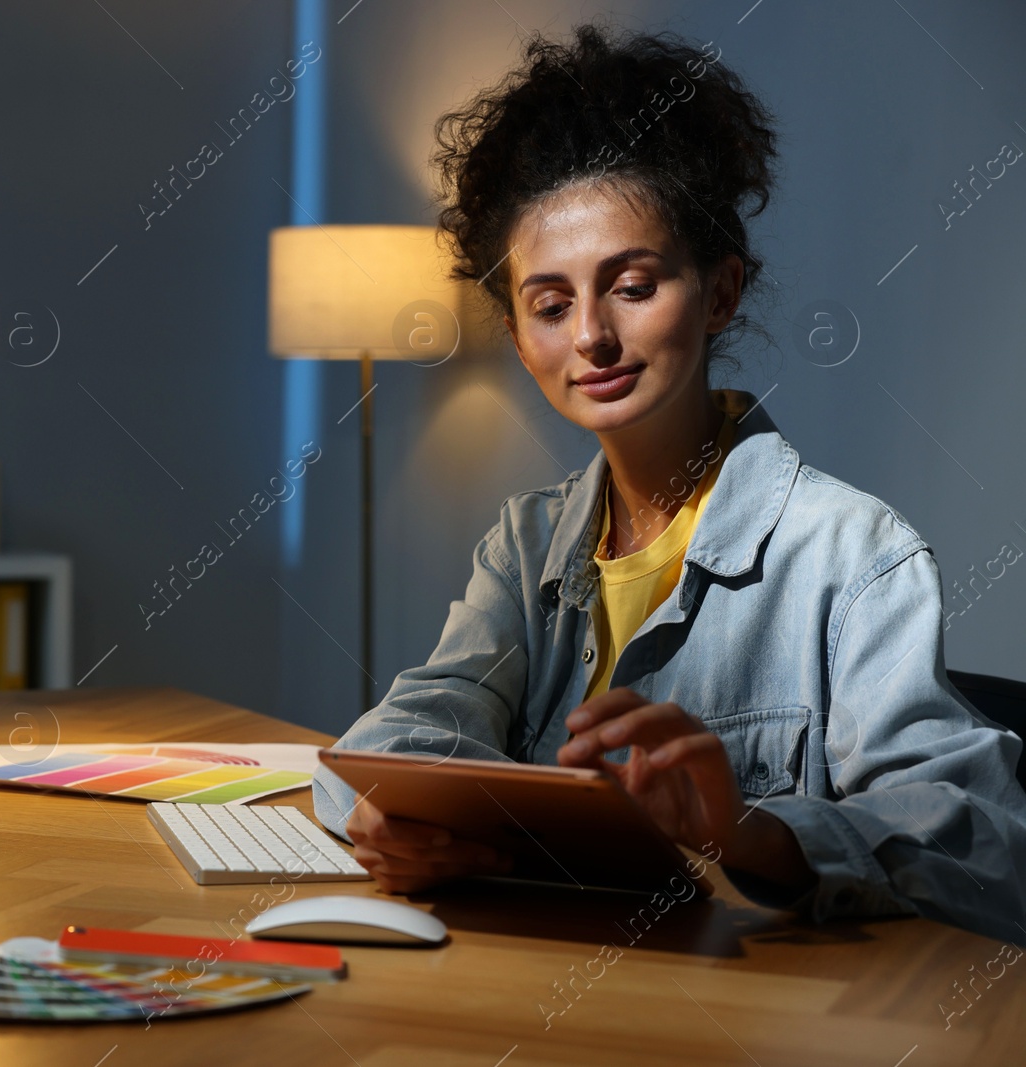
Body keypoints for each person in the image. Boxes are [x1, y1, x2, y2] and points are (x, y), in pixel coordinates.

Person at [311, 22, 1026, 942]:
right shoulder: (525, 543)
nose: (592, 339)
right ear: (517, 330)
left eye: (635, 286)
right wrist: (391, 813)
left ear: (721, 293)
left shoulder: (856, 554)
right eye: (551, 304)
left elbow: (991, 853)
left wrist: (749, 831)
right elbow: (416, 719)